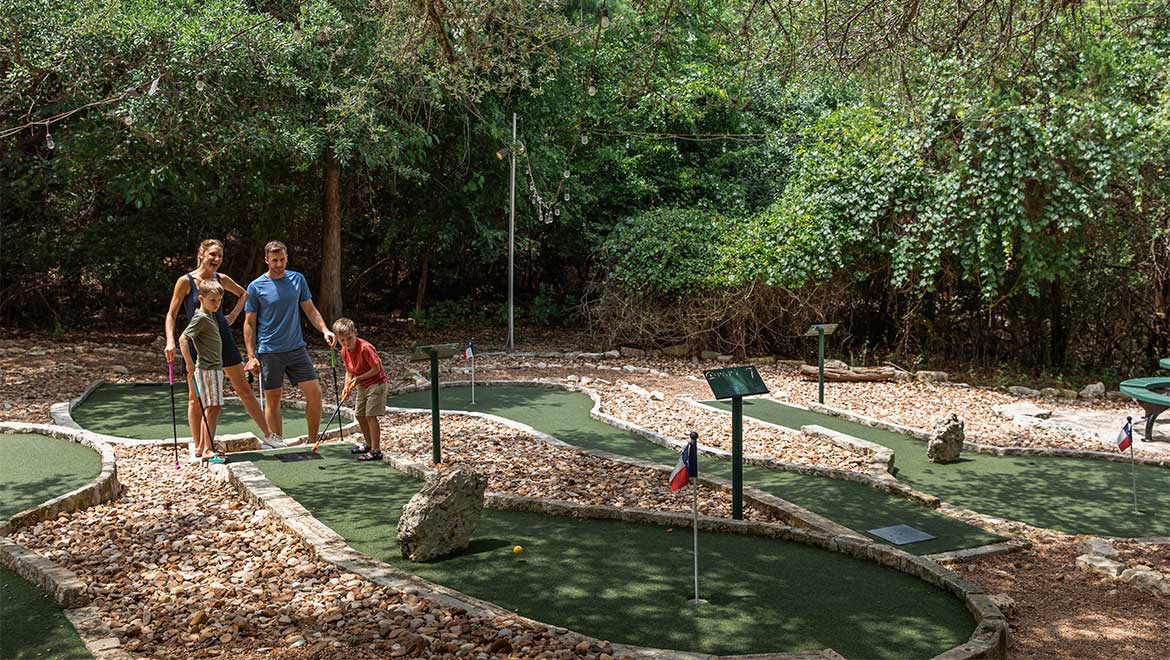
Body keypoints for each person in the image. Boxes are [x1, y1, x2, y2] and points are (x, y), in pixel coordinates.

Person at [164, 239, 272, 450]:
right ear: (202, 254)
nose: (217, 259)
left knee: (244, 389)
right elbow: (171, 314)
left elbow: (244, 294)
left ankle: (269, 435)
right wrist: (170, 341)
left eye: (220, 256)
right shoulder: (185, 281)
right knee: (195, 398)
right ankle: (200, 447)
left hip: (223, 338)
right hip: (199, 343)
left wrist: (231, 316)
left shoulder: (221, 279)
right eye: (213, 254)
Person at [243, 241, 335, 446]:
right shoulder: (256, 286)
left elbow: (310, 310)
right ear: (267, 260)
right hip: (269, 351)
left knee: (315, 393)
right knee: (273, 398)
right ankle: (277, 444)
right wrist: (251, 356)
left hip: (296, 349)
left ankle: (312, 442)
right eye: (274, 260)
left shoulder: (297, 279)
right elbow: (249, 322)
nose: (279, 264)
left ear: (287, 258)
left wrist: (325, 330)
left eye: (282, 259)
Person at [178, 279, 227, 465]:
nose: (217, 304)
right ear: (201, 298)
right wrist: (189, 364)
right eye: (213, 300)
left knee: (212, 407)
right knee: (213, 408)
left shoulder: (209, 315)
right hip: (208, 368)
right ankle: (207, 449)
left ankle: (202, 447)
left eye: (220, 300)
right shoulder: (200, 317)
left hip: (213, 367)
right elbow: (183, 339)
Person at [333, 317, 387, 461]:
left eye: (349, 338)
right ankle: (369, 444)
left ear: (355, 333)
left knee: (370, 416)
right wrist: (346, 385)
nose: (346, 343)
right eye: (342, 340)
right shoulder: (345, 351)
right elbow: (349, 371)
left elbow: (376, 369)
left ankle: (376, 450)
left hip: (376, 384)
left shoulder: (365, 348)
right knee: (359, 415)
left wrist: (358, 379)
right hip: (363, 385)